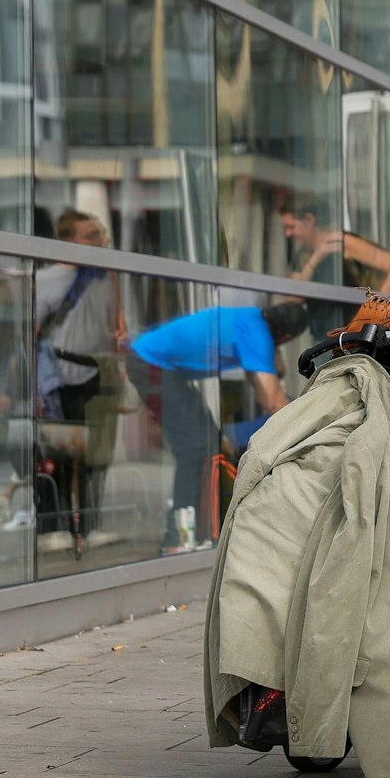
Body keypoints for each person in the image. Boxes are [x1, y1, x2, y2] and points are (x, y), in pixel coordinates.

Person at [126, 303, 308, 552]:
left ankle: (200, 529)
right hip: (149, 364)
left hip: (162, 367)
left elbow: (274, 375)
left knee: (209, 439)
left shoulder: (251, 319)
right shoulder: (256, 333)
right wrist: (312, 424)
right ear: (285, 337)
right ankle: (178, 538)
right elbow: (274, 401)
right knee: (196, 445)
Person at [34, 210, 120, 424]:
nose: (100, 241)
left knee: (97, 452)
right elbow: (29, 338)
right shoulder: (45, 280)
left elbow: (117, 323)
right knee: (65, 447)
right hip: (60, 378)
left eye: (100, 234)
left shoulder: (107, 276)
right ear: (68, 241)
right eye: (91, 236)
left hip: (99, 375)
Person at [278, 193, 390, 294]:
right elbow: (295, 297)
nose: (287, 234)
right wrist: (316, 258)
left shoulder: (340, 241)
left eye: (291, 227)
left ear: (309, 220)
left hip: (356, 321)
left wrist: (375, 310)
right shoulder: (303, 255)